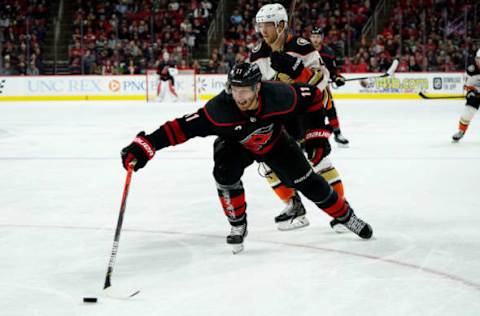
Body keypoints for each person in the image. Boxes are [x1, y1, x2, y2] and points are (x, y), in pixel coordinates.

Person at [120, 63, 373, 254]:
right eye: (235, 89)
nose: (239, 97)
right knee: (224, 172)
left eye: (245, 90)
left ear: (258, 87)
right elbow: (178, 129)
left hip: (276, 143)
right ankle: (238, 224)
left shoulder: (281, 95)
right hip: (235, 144)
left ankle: (346, 216)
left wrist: (316, 136)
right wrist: (144, 146)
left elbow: (316, 98)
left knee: (308, 182)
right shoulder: (220, 109)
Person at [245, 3, 347, 231]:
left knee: (319, 158)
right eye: (260, 25)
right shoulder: (257, 53)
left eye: (267, 26)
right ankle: (294, 207)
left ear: (281, 25)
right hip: (279, 115)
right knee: (267, 161)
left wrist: (299, 72)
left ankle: (341, 211)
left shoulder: (302, 47)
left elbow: (321, 81)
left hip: (306, 112)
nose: (263, 31)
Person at [309, 27, 350, 146]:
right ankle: (301, 139)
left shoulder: (328, 52)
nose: (315, 39)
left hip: (323, 87)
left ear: (321, 38)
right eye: (313, 37)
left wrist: (337, 78)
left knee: (330, 108)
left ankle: (337, 133)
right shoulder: (305, 51)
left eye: (318, 37)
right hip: (306, 87)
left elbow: (333, 71)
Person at [452, 49, 480, 142]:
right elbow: (467, 86)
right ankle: (461, 131)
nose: (478, 62)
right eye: (477, 59)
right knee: (468, 111)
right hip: (476, 93)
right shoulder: (471, 69)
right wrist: (471, 92)